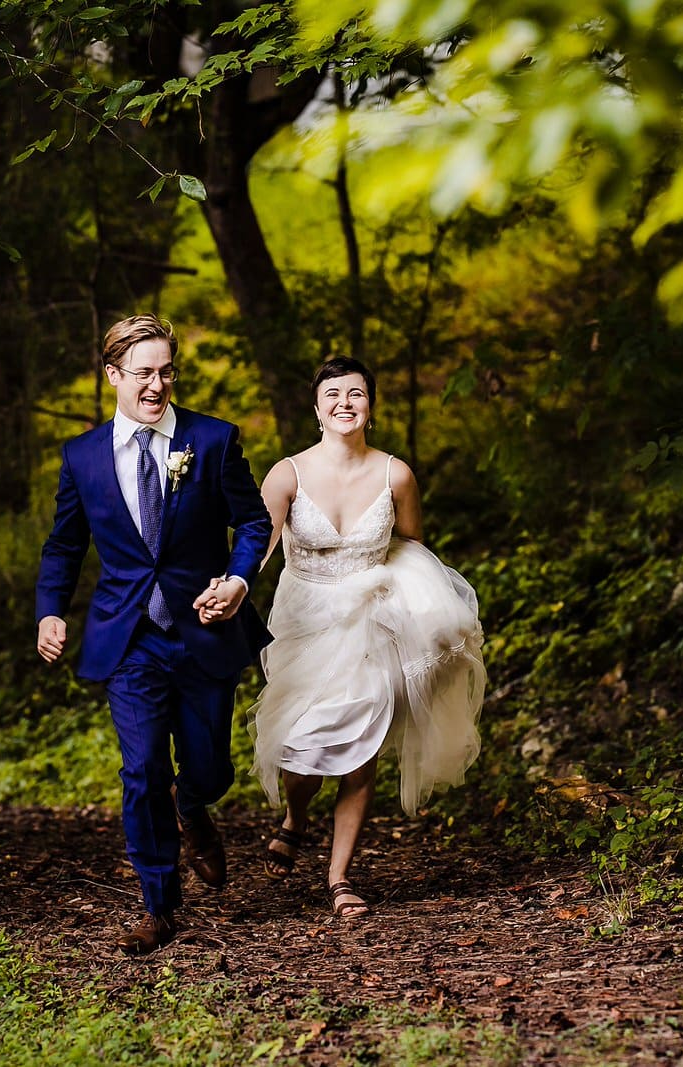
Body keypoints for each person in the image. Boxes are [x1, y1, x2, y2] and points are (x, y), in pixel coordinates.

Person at [207, 356, 484, 919]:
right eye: (333, 394)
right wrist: (232, 586)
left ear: (371, 407)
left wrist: (419, 603)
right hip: (303, 616)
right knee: (303, 747)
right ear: (316, 408)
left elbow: (412, 543)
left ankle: (339, 878)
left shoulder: (396, 474)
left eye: (356, 394)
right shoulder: (288, 474)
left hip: (371, 616)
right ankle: (296, 816)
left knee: (361, 748)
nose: (345, 403)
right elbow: (257, 546)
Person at [35, 314, 272, 955]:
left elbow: (252, 524)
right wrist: (50, 610)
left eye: (167, 371)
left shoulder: (213, 440)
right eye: (144, 373)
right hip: (129, 637)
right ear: (112, 375)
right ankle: (158, 906)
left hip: (204, 627)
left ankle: (192, 807)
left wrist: (238, 581)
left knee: (210, 769)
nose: (157, 385)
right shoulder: (82, 458)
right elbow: (64, 545)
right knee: (141, 770)